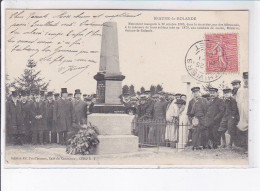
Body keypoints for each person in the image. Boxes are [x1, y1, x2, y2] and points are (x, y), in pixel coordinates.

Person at [236, 72, 249, 154]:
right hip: (243, 112)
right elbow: (238, 101)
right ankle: (246, 147)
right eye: (245, 78)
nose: (246, 80)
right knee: (244, 128)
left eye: (248, 78)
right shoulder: (240, 90)